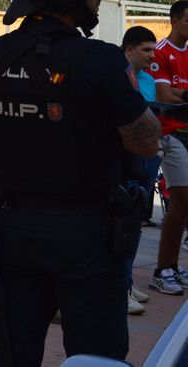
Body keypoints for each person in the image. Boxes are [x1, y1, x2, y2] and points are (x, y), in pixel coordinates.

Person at [0, 0, 160, 365]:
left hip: (12, 228)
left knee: (15, 350)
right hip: (88, 236)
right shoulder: (99, 60)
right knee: (96, 354)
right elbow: (146, 143)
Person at [146, 0, 188, 295]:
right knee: (182, 200)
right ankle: (162, 270)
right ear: (174, 20)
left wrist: (180, 93)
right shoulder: (161, 51)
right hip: (171, 133)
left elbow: (175, 93)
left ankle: (171, 266)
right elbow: (163, 94)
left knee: (185, 203)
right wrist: (180, 95)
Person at [120, 26, 160, 314]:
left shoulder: (148, 80)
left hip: (148, 159)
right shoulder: (117, 77)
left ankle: (127, 282)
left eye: (153, 50)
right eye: (146, 50)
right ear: (129, 50)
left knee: (135, 224)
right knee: (123, 226)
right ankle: (119, 288)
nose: (151, 55)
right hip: (126, 161)